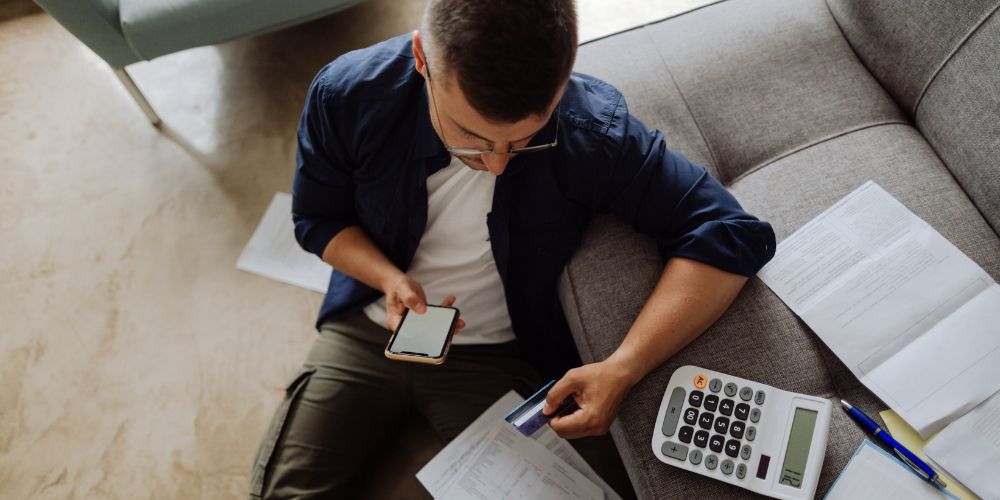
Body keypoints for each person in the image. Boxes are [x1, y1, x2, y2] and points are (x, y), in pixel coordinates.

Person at [249, 0, 776, 497]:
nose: (498, 163)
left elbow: (728, 232)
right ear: (420, 59)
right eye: (470, 137)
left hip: (504, 357)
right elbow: (316, 219)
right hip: (367, 329)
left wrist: (623, 366)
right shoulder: (347, 93)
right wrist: (388, 279)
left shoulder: (591, 130)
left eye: (526, 139)